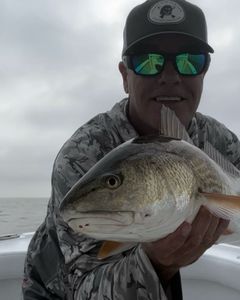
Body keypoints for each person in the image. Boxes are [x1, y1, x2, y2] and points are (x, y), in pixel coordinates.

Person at [22, 0, 240, 299]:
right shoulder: (82, 155)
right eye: (148, 62)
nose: (171, 76)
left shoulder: (217, 139)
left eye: (190, 61)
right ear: (125, 76)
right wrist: (158, 263)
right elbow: (84, 288)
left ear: (204, 72)